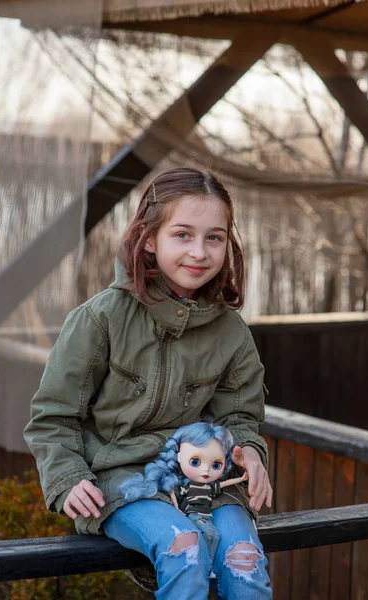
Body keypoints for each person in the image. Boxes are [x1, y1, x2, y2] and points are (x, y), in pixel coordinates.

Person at [24, 166, 273, 600]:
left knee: (244, 563)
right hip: (119, 480)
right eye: (182, 234)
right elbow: (53, 418)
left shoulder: (231, 332)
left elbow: (239, 416)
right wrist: (66, 478)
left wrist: (248, 451)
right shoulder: (99, 319)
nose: (199, 251)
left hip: (204, 478)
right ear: (149, 239)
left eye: (213, 237)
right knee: (185, 548)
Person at [120, 422, 249, 562]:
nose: (206, 470)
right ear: (179, 457)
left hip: (207, 517)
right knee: (207, 536)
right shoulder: (185, 487)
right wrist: (177, 510)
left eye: (216, 465)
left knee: (213, 537)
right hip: (194, 516)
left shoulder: (209, 488)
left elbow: (223, 484)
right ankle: (207, 562)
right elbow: (173, 494)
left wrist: (241, 478)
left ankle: (207, 562)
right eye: (195, 462)